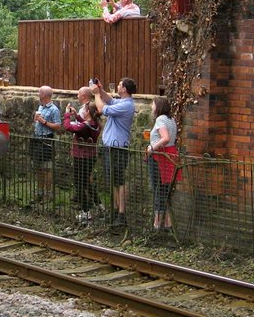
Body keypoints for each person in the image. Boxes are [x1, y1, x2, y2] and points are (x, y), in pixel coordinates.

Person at [93, 77, 137, 228]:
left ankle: (122, 214)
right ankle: (116, 210)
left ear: (124, 89)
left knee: (119, 181)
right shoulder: (122, 102)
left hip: (118, 148)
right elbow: (110, 100)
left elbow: (102, 109)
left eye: (119, 84)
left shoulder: (127, 106)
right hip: (110, 147)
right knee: (113, 180)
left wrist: (96, 95)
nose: (117, 86)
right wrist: (100, 89)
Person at [63, 86, 101, 220]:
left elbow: (69, 127)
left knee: (79, 183)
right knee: (86, 182)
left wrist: (67, 115)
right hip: (90, 156)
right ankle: (99, 205)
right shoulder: (94, 123)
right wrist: (77, 116)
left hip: (82, 156)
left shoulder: (86, 125)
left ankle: (86, 211)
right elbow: (84, 124)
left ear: (88, 112)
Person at [147, 96, 179, 232]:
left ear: (158, 106)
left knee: (158, 190)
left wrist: (152, 147)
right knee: (165, 191)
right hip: (170, 156)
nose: (151, 107)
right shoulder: (171, 120)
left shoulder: (160, 119)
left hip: (160, 157)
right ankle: (168, 224)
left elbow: (165, 138)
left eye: (152, 104)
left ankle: (156, 225)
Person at [31, 86, 61, 202]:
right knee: (38, 168)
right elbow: (36, 122)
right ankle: (39, 192)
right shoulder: (40, 107)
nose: (38, 94)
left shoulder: (54, 109)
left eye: (39, 92)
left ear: (44, 94)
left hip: (47, 140)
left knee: (47, 168)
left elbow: (58, 126)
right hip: (37, 139)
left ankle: (48, 195)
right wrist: (36, 120)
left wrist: (43, 122)